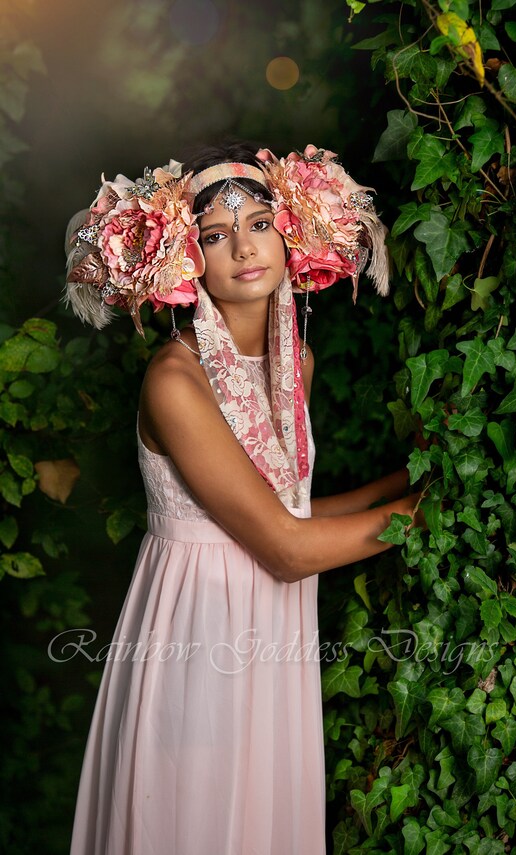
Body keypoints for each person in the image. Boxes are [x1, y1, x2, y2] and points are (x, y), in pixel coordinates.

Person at [65, 141, 423, 855]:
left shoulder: (297, 361)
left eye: (259, 223)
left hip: (270, 628)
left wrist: (412, 481)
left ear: (290, 235)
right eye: (214, 235)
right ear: (183, 258)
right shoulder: (176, 379)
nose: (243, 249)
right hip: (200, 635)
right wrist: (424, 516)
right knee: (197, 822)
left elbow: (284, 510)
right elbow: (288, 549)